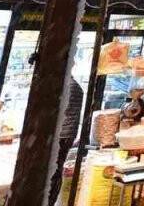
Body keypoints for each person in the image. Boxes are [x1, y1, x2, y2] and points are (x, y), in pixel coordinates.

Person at [29, 52, 85, 204]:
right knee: (55, 170)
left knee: (52, 171)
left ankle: (49, 200)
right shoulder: (71, 86)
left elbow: (50, 112)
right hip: (65, 134)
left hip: (61, 135)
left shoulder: (66, 87)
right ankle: (49, 199)